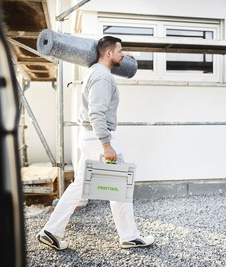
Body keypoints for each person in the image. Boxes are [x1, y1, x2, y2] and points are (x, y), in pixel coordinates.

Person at [36, 36, 155, 250]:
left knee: (80, 186)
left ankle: (50, 231)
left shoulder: (95, 71)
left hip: (89, 137)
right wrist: (106, 144)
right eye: (120, 51)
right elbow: (96, 113)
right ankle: (129, 236)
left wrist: (125, 58)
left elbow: (96, 109)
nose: (123, 55)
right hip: (98, 138)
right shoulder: (102, 78)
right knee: (121, 186)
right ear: (108, 54)